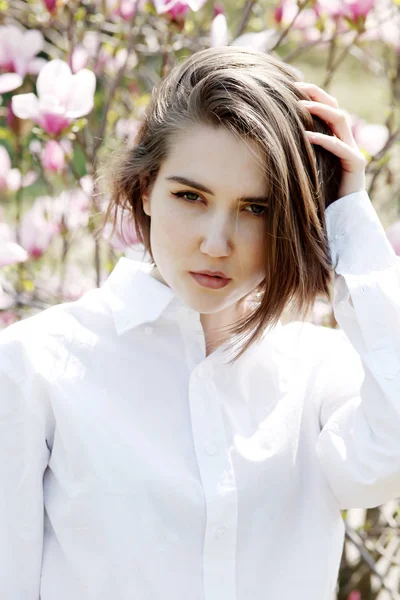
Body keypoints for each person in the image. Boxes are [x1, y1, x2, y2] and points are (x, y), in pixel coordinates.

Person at [0, 45, 399, 600]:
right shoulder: (33, 365)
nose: (217, 243)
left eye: (255, 208)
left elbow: (384, 466)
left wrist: (350, 219)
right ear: (145, 189)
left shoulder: (320, 372)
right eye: (190, 196)